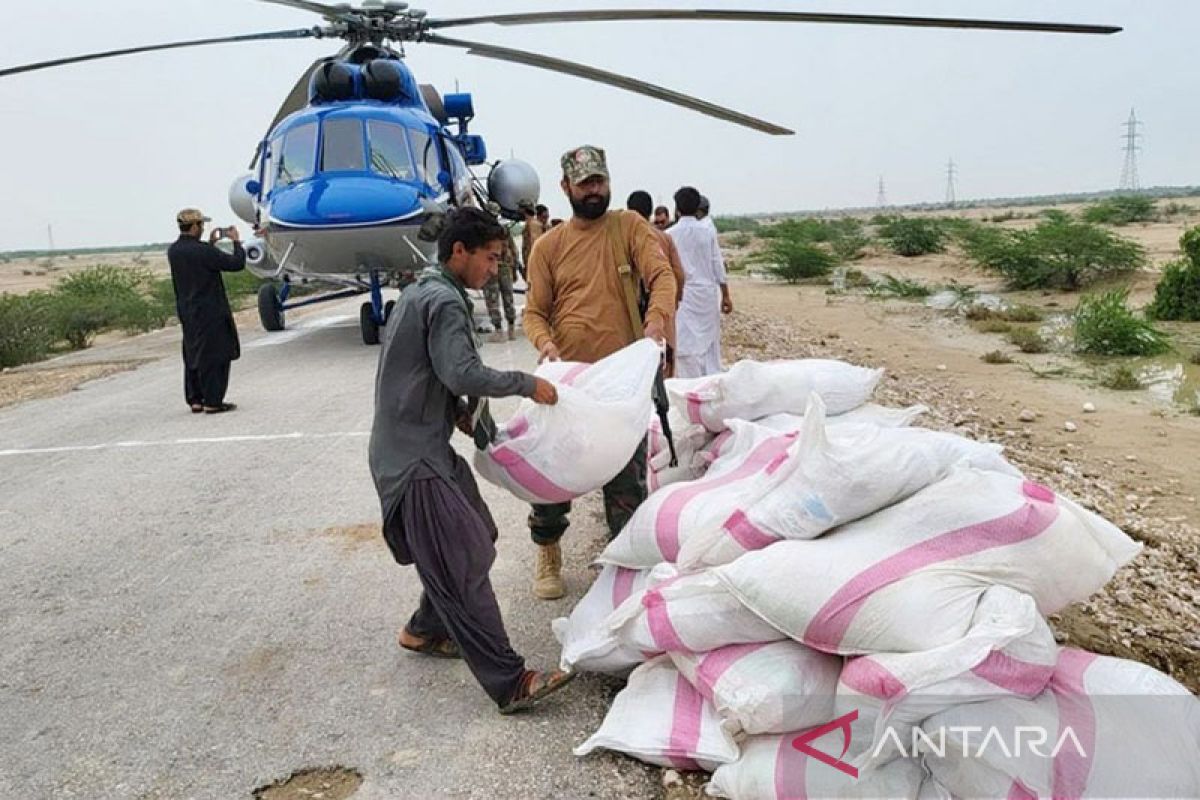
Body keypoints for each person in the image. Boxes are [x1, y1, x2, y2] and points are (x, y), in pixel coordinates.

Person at [369, 206, 574, 714]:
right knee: (462, 560)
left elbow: (428, 371)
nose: (494, 268)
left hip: (424, 447)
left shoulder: (424, 291)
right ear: (458, 251)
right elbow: (461, 371)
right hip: (414, 461)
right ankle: (509, 680)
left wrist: (457, 411)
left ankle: (424, 629)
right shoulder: (444, 299)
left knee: (478, 532)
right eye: (489, 257)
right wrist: (528, 384)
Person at [523, 145, 677, 600]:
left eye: (601, 181)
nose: (595, 190)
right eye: (586, 183)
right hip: (569, 385)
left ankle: (624, 564)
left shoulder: (628, 227)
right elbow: (534, 312)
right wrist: (544, 343)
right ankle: (548, 550)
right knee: (553, 473)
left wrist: (656, 322)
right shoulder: (549, 247)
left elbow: (662, 277)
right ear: (566, 188)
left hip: (621, 385)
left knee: (626, 482)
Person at [167, 208, 245, 414]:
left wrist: (210, 245)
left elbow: (197, 264)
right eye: (201, 225)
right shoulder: (203, 251)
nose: (202, 229)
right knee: (215, 355)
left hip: (187, 310)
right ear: (194, 227)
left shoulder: (174, 251)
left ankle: (195, 399)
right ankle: (213, 400)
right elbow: (236, 264)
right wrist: (237, 242)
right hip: (210, 311)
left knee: (193, 352)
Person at [668, 187, 734, 379]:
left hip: (683, 295)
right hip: (707, 294)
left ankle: (689, 387)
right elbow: (717, 264)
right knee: (710, 345)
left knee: (685, 345)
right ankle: (710, 382)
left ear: (677, 208)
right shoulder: (707, 232)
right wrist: (726, 295)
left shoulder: (669, 234)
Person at [626, 190, 686, 377]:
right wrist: (673, 301)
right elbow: (678, 275)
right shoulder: (664, 238)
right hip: (659, 311)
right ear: (650, 211)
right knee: (664, 364)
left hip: (630, 314)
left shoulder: (621, 238)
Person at [482, 204, 519, 342]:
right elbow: (513, 250)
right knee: (508, 297)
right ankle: (511, 329)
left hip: (491, 269)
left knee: (492, 299)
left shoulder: (483, 232)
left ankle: (499, 330)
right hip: (505, 268)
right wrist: (514, 269)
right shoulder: (504, 230)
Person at [520, 201, 546, 273]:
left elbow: (535, 244)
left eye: (519, 209)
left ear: (524, 211)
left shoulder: (533, 224)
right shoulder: (529, 224)